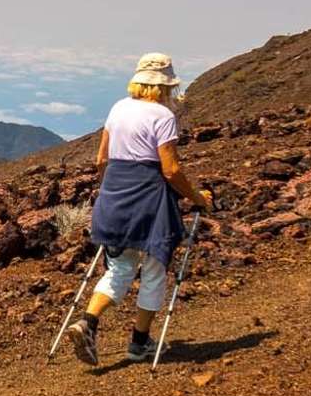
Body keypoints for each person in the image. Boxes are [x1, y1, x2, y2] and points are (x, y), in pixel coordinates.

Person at [64, 53, 212, 365]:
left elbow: (101, 159)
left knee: (119, 267)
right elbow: (170, 170)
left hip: (114, 194)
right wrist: (197, 198)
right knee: (155, 268)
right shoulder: (162, 116)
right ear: (165, 86)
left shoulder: (118, 108)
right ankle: (139, 343)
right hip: (150, 200)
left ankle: (88, 322)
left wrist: (109, 191)